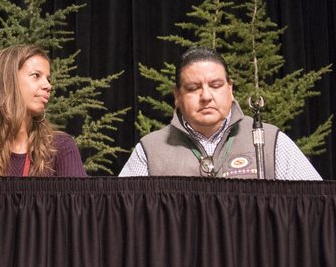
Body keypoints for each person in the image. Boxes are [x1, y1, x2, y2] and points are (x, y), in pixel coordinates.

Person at [119, 47, 320, 179]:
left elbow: (314, 204)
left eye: (215, 85)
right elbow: (122, 216)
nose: (206, 96)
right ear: (177, 96)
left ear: (230, 89)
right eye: (192, 88)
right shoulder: (149, 151)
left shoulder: (270, 140)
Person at [0, 44, 86, 177]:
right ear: (8, 82)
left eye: (48, 79)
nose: (48, 85)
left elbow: (79, 201)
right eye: (36, 76)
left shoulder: (60, 147)